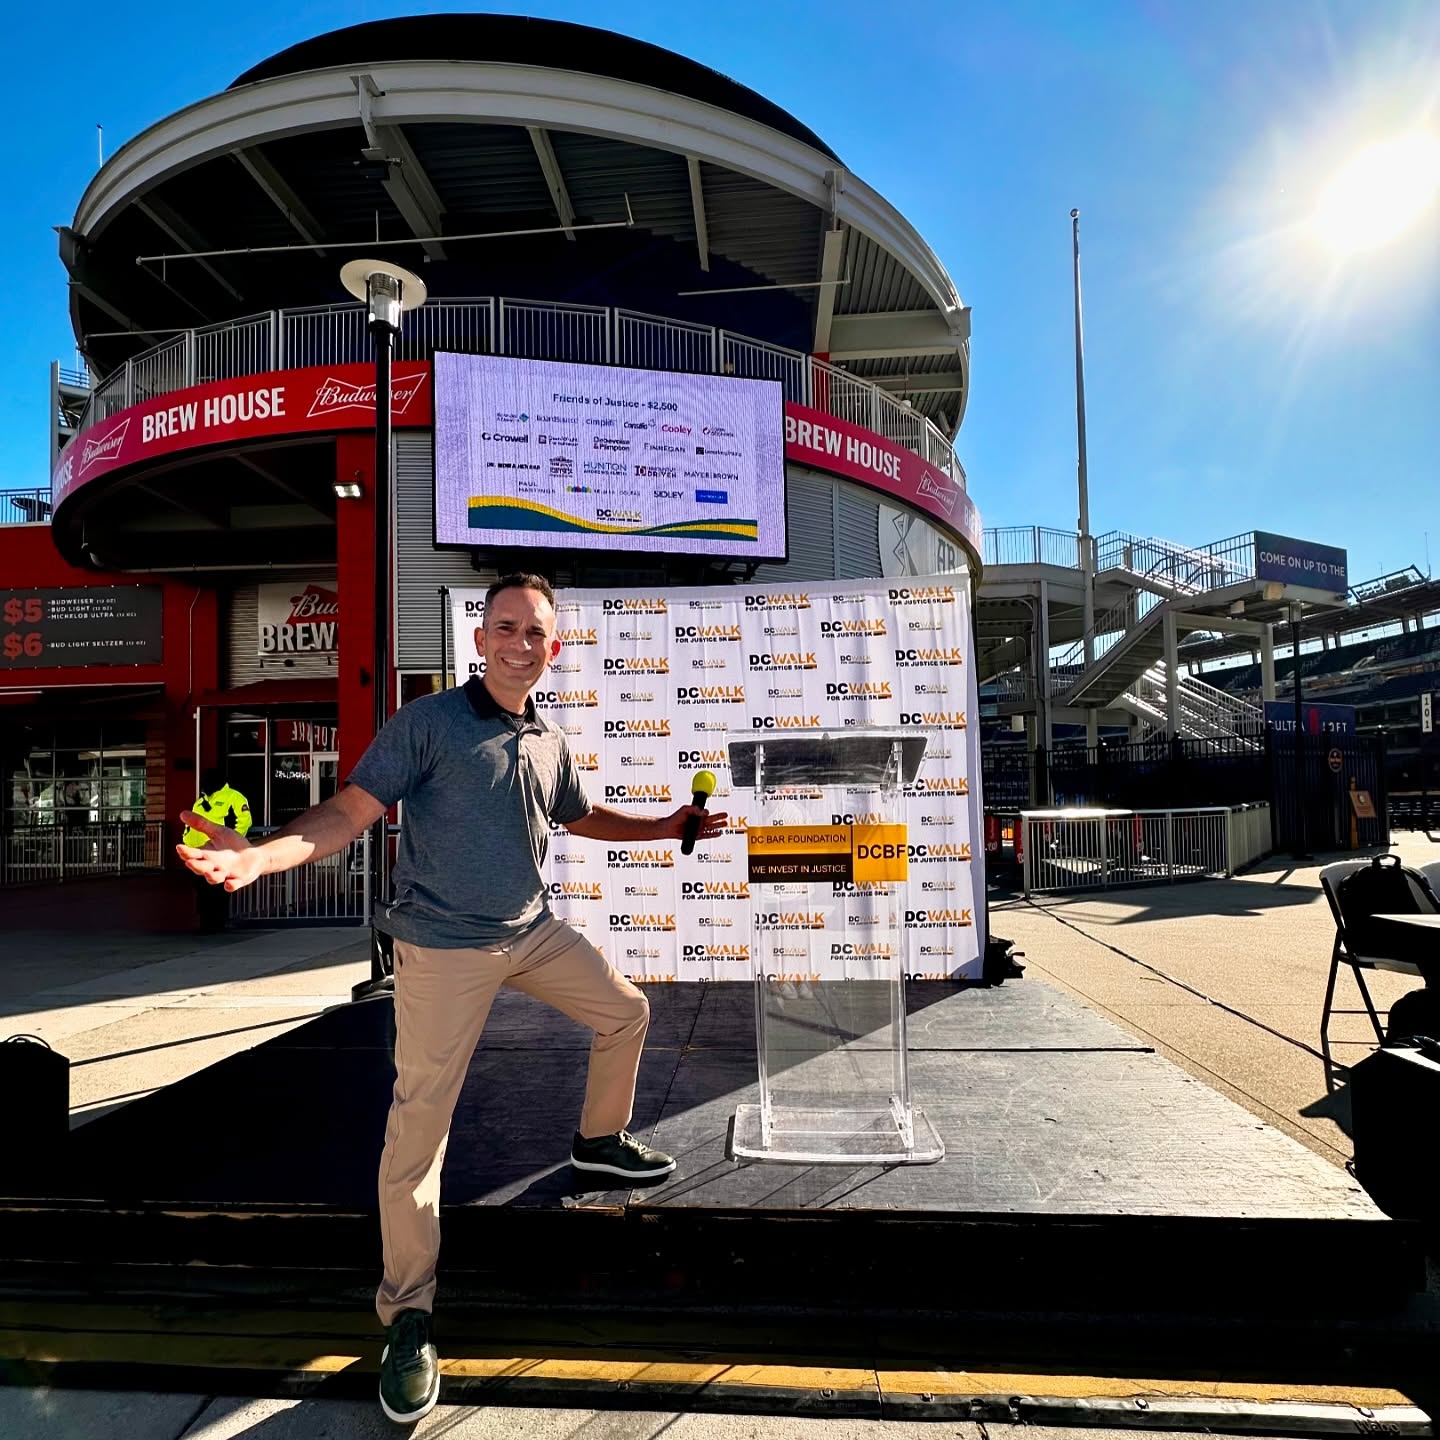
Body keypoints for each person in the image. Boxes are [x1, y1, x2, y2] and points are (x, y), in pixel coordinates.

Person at [175, 573, 725, 1424]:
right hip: (440, 947)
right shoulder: (427, 724)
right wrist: (261, 855)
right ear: (481, 639)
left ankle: (596, 1142)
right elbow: (348, 812)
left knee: (627, 1011)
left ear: (553, 647)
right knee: (419, 1129)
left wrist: (664, 827)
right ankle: (408, 1315)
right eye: (505, 628)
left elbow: (580, 816)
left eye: (535, 633)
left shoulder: (547, 738)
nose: (520, 644)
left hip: (531, 930)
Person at [183, 769, 252, 932]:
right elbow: (190, 826)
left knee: (217, 890)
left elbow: (244, 821)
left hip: (219, 853)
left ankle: (217, 924)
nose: (204, 783)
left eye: (207, 780)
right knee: (201, 890)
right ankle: (205, 924)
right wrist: (187, 843)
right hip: (198, 854)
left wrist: (229, 843)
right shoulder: (200, 802)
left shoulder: (234, 797)